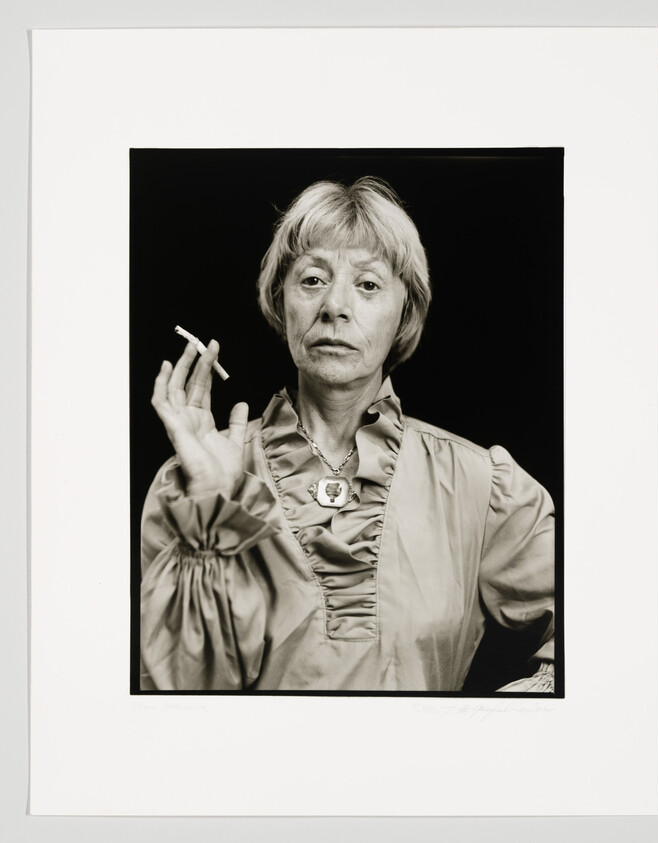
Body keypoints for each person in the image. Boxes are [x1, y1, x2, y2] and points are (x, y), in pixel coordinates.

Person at [140, 176, 555, 693]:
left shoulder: (480, 485)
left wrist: (492, 726)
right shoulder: (188, 485)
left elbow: (604, 637)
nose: (335, 305)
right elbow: (176, 701)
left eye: (368, 284)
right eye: (313, 279)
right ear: (281, 302)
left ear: (405, 312)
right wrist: (211, 505)